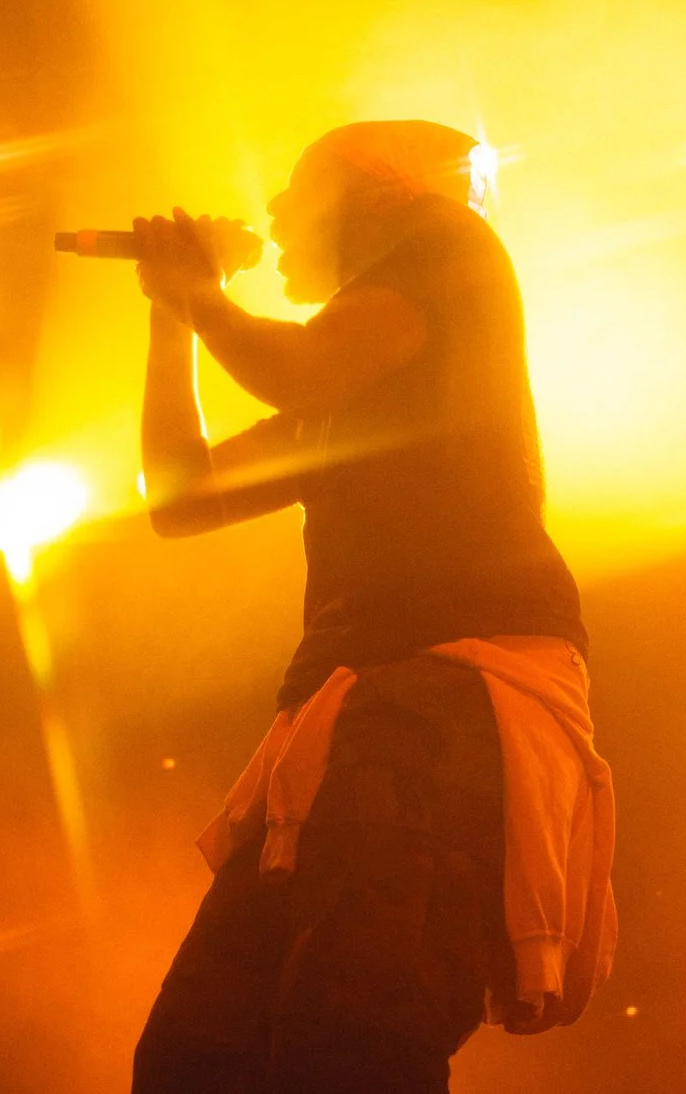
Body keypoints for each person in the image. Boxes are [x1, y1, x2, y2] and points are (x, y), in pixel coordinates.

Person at [128, 120, 616, 1094]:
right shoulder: (342, 389)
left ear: (377, 189)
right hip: (357, 710)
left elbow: (298, 364)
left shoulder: (446, 244)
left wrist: (202, 295)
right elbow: (181, 499)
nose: (273, 213)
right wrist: (172, 318)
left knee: (355, 1027)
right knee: (195, 1055)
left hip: (448, 688)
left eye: (297, 188)